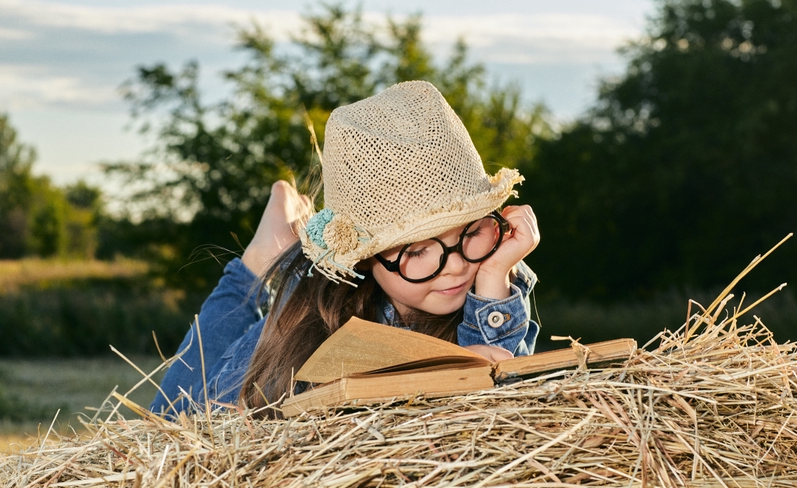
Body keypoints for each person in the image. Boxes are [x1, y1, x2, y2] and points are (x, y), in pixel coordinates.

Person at [151, 80, 541, 416]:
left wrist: (493, 276)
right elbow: (218, 420)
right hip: (319, 293)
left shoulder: (499, 285)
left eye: (471, 233)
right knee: (172, 418)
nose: (455, 266)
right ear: (367, 258)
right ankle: (257, 264)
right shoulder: (309, 312)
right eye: (418, 252)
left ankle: (283, 248)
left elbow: (500, 414)